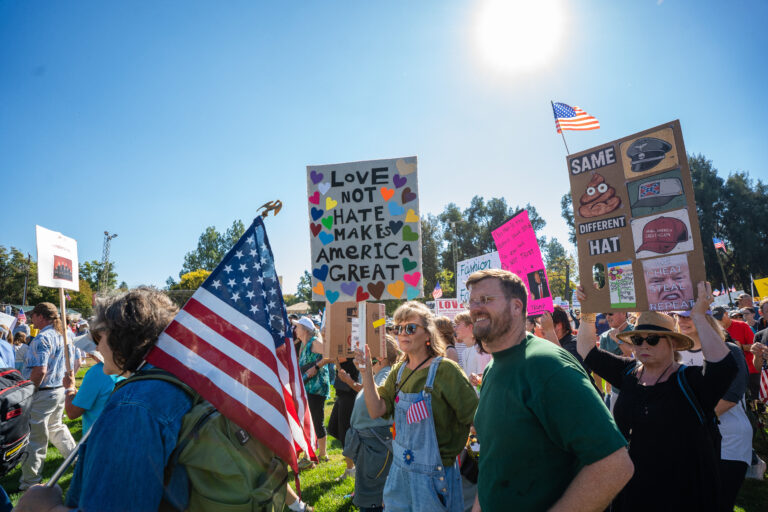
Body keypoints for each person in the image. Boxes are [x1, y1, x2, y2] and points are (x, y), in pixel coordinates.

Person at [467, 269, 632, 512]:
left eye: (486, 300)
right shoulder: (494, 366)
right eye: (472, 301)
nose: (475, 308)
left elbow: (615, 464)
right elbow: (494, 465)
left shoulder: (547, 365)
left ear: (516, 306)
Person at [15, 287, 193, 511]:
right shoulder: (169, 384)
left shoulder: (132, 409)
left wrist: (44, 507)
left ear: (122, 338)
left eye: (99, 337)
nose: (96, 346)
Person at [579, 282, 737, 511]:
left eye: (652, 339)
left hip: (682, 494)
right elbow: (587, 352)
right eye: (637, 339)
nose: (643, 344)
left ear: (672, 342)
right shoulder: (628, 373)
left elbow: (724, 366)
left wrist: (699, 316)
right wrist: (587, 312)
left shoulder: (689, 381)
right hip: (631, 490)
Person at [355, 301, 478, 512]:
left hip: (436, 477)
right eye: (398, 328)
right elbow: (376, 410)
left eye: (410, 328)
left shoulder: (446, 370)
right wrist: (366, 372)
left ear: (428, 334)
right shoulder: (399, 371)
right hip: (400, 471)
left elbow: (476, 419)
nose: (403, 333)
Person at [675, 309, 753, 510]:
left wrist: (693, 424)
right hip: (688, 441)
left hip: (729, 440)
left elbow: (730, 397)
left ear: (705, 318)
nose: (683, 320)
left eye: (689, 315)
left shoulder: (729, 351)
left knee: (719, 503)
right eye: (679, 315)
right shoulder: (673, 354)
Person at [18, 302, 76, 490]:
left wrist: (29, 391)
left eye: (33, 315)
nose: (30, 319)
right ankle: (77, 460)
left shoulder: (43, 338)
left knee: (35, 438)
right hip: (58, 390)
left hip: (42, 392)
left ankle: (31, 482)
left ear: (42, 316)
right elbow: (73, 364)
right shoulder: (64, 335)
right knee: (56, 428)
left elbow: (39, 370)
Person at [343, 335, 401, 512]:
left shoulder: (387, 375)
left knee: (373, 499)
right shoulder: (379, 374)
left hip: (377, 446)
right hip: (370, 445)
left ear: (380, 357)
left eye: (369, 352)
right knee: (369, 493)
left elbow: (378, 402)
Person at [62, 333, 125, 434]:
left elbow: (72, 412)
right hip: (120, 433)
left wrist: (69, 388)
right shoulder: (126, 366)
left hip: (99, 437)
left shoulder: (98, 372)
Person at [296, 316, 330, 464]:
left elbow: (329, 355)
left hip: (317, 387)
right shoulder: (302, 344)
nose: (295, 329)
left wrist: (316, 367)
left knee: (316, 420)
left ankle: (323, 454)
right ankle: (309, 452)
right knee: (307, 420)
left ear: (304, 330)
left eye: (297, 327)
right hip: (307, 386)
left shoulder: (314, 342)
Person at [714, 305, 760, 400]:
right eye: (715, 319)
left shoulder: (742, 325)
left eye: (720, 318)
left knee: (758, 399)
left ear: (726, 314)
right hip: (732, 372)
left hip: (750, 369)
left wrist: (741, 346)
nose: (719, 321)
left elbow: (755, 346)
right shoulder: (715, 330)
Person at [327, 352, 361, 481]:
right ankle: (352, 465)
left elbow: (335, 358)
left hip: (349, 394)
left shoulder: (348, 349)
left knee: (345, 433)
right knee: (334, 428)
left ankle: (351, 469)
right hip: (343, 392)